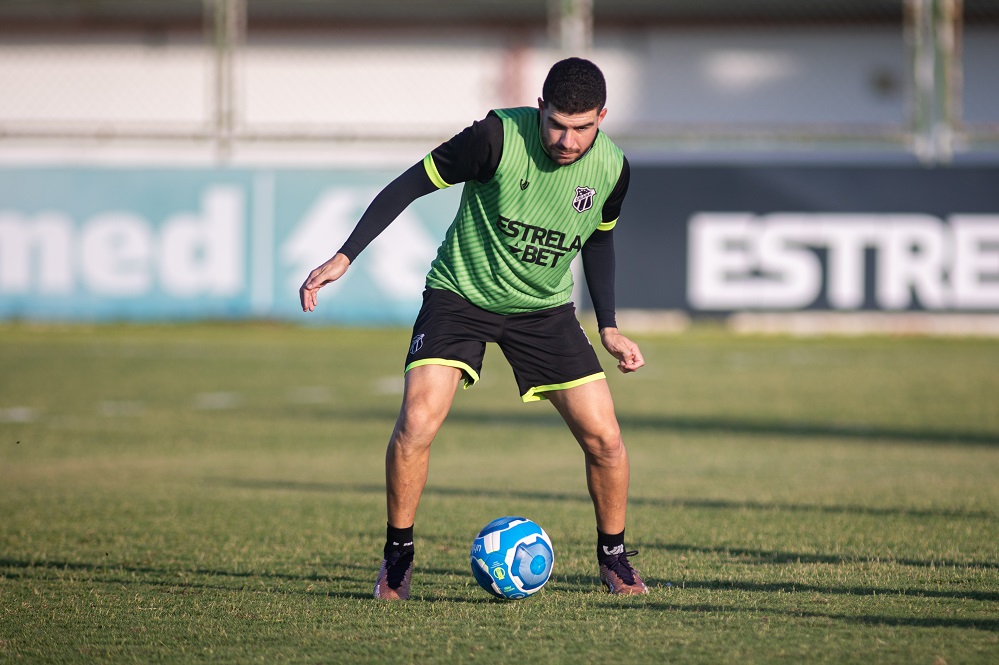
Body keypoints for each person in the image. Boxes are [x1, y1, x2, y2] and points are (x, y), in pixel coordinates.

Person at [300, 57, 648, 600]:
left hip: (544, 310)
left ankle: (614, 558)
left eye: (582, 127)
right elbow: (410, 183)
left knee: (606, 439)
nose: (567, 138)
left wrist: (608, 326)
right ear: (540, 109)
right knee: (416, 421)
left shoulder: (613, 169)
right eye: (556, 123)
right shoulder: (495, 138)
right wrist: (347, 255)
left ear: (602, 117)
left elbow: (599, 239)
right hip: (460, 296)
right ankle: (398, 558)